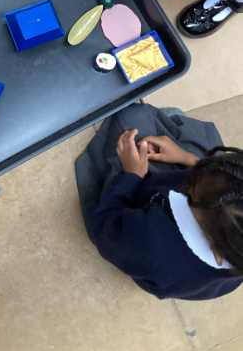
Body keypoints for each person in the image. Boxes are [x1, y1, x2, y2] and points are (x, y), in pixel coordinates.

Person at [76, 103, 243, 300]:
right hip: (169, 241)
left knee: (130, 121)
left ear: (212, 241)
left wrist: (132, 176)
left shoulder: (153, 245)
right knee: (208, 159)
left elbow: (105, 227)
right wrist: (186, 158)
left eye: (192, 189)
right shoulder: (234, 246)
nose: (192, 178)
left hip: (127, 228)